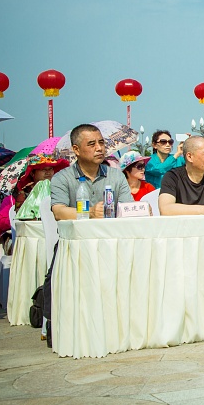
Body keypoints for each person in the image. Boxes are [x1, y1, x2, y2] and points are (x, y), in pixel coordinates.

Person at [46, 124, 133, 345]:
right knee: (54, 278)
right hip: (76, 245)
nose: (99, 148)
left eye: (101, 143)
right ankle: (57, 324)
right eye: (92, 144)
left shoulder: (116, 175)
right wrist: (89, 213)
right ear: (76, 149)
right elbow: (58, 211)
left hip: (112, 243)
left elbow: (127, 208)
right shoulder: (62, 178)